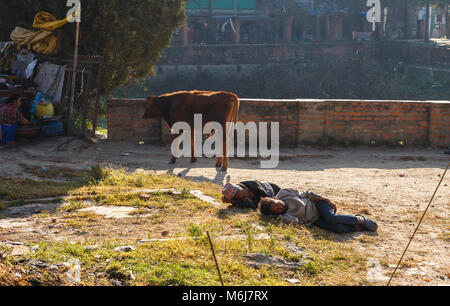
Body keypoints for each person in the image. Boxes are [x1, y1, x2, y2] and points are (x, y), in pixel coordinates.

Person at [258, 188, 378, 234]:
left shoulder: (284, 193)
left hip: (318, 205)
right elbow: (296, 222)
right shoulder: (285, 216)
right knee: (339, 229)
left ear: (275, 198)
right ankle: (356, 227)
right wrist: (281, 217)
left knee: (331, 218)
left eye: (276, 204)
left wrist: (325, 199)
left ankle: (360, 220)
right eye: (276, 211)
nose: (279, 208)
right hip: (315, 219)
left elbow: (307, 194)